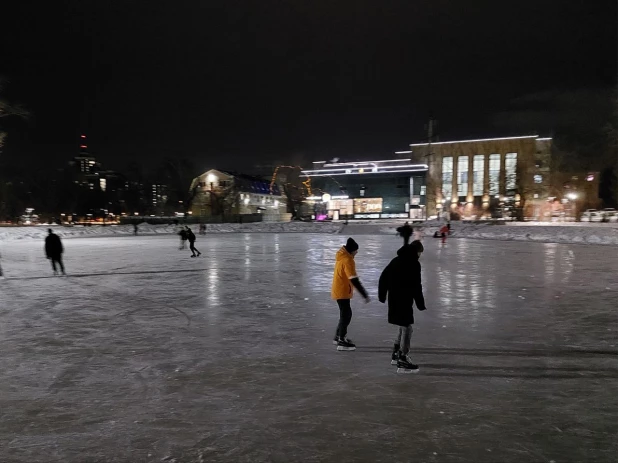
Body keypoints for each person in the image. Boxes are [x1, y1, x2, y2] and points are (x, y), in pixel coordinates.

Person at [378, 240, 427, 373]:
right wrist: (420, 304)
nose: (420, 255)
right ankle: (403, 358)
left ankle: (396, 354)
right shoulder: (414, 264)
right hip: (404, 300)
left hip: (394, 298)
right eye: (419, 253)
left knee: (402, 325)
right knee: (407, 327)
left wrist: (382, 296)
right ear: (416, 251)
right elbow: (417, 286)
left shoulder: (396, 260)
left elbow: (383, 277)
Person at [331, 237, 370, 351]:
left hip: (339, 289)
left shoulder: (342, 257)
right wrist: (364, 294)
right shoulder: (348, 260)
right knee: (346, 315)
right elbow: (354, 279)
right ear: (352, 250)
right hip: (342, 290)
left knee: (345, 314)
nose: (357, 253)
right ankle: (341, 340)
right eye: (356, 251)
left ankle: (338, 337)